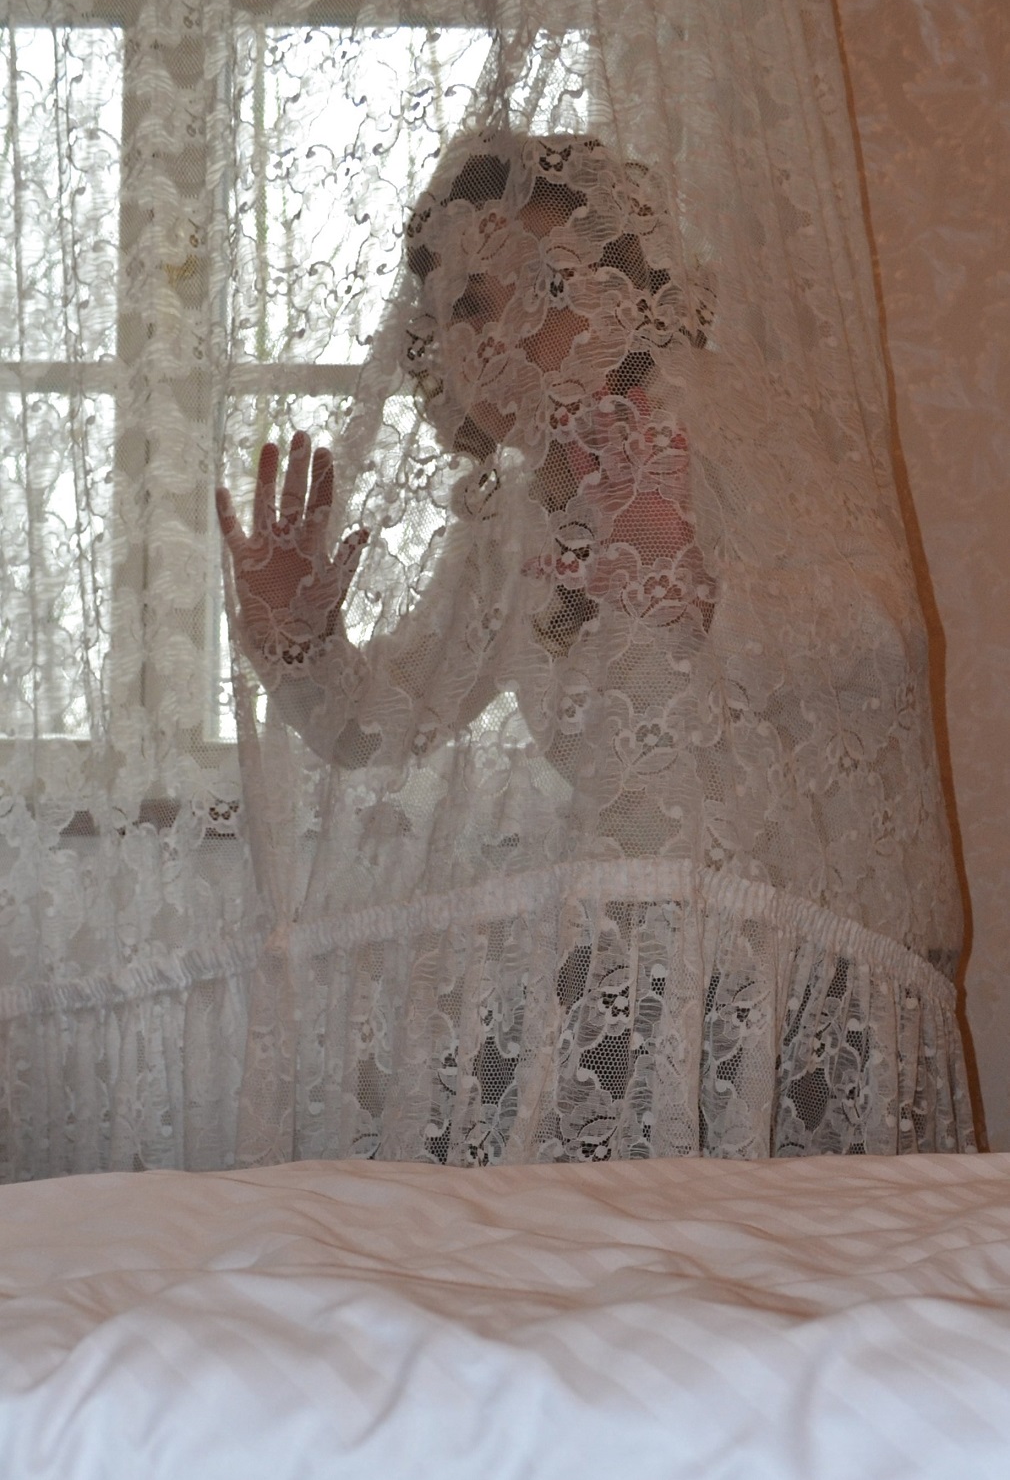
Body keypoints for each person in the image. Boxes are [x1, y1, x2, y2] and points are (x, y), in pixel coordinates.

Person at [218, 131, 973, 1162]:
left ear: (623, 287)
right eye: (468, 306)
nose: (507, 327)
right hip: (639, 947)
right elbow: (387, 722)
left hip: (798, 961)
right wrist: (298, 636)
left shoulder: (727, 420)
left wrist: (693, 587)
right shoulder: (513, 510)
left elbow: (881, 635)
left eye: (545, 281)